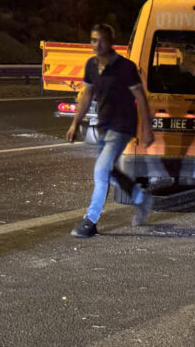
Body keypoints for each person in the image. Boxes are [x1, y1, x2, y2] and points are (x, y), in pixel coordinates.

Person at [67, 23, 155, 238]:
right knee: (108, 172)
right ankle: (142, 199)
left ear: (110, 42)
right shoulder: (91, 65)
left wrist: (147, 129)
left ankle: (91, 220)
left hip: (122, 127)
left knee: (100, 171)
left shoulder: (125, 67)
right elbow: (87, 96)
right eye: (93, 40)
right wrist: (75, 123)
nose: (96, 44)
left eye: (101, 40)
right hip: (104, 127)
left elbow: (140, 97)